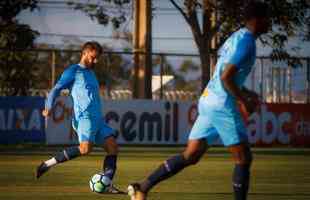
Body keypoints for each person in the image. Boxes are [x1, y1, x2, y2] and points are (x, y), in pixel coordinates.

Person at [127, 1, 271, 200]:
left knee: (191, 155)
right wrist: (244, 100)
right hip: (221, 103)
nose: (270, 22)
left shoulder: (237, 37)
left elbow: (223, 73)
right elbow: (226, 77)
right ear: (258, 19)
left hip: (209, 99)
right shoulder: (247, 42)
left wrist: (245, 92)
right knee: (243, 158)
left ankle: (143, 187)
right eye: (267, 18)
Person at [36, 41, 124, 194]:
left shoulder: (91, 73)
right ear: (84, 53)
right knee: (85, 149)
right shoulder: (73, 71)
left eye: (97, 58)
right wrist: (48, 107)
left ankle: (107, 183)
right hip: (85, 118)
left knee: (113, 147)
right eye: (93, 57)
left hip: (98, 120)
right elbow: (56, 89)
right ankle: (47, 164)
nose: (95, 61)